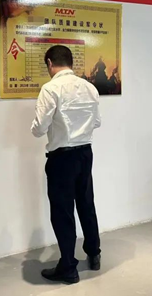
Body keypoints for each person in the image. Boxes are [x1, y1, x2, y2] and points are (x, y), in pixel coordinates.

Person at [31, 45, 102, 285]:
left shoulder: (50, 89)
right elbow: (97, 122)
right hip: (85, 153)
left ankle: (69, 268)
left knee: (63, 212)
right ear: (71, 63)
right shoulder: (90, 87)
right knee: (86, 203)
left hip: (62, 157)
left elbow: (39, 128)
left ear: (50, 63)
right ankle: (94, 254)